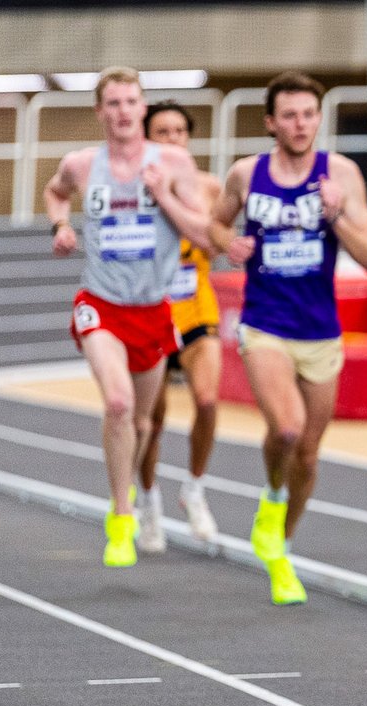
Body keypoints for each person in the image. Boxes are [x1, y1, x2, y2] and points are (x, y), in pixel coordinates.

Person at [208, 71, 367, 605]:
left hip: (321, 332)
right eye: (290, 115)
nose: (301, 124)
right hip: (265, 324)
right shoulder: (246, 173)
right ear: (271, 123)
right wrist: (227, 245)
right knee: (286, 429)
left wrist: (335, 214)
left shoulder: (342, 174)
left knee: (308, 453)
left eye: (308, 114)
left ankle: (278, 542)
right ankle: (273, 494)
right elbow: (214, 226)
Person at [44, 66, 211, 568]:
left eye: (130, 102)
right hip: (100, 302)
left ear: (143, 108)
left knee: (142, 422)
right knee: (117, 405)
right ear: (99, 112)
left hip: (153, 309)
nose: (121, 112)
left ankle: (131, 495)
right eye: (112, 103)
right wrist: (61, 225)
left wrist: (161, 196)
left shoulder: (174, 162)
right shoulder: (79, 164)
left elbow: (204, 233)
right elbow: (55, 192)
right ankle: (121, 515)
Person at [136, 101, 225, 551]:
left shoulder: (209, 187)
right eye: (161, 132)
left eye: (178, 132)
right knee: (152, 423)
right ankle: (149, 502)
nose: (172, 139)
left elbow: (215, 244)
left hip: (195, 310)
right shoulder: (131, 187)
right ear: (147, 139)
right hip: (151, 312)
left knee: (208, 402)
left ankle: (193, 488)